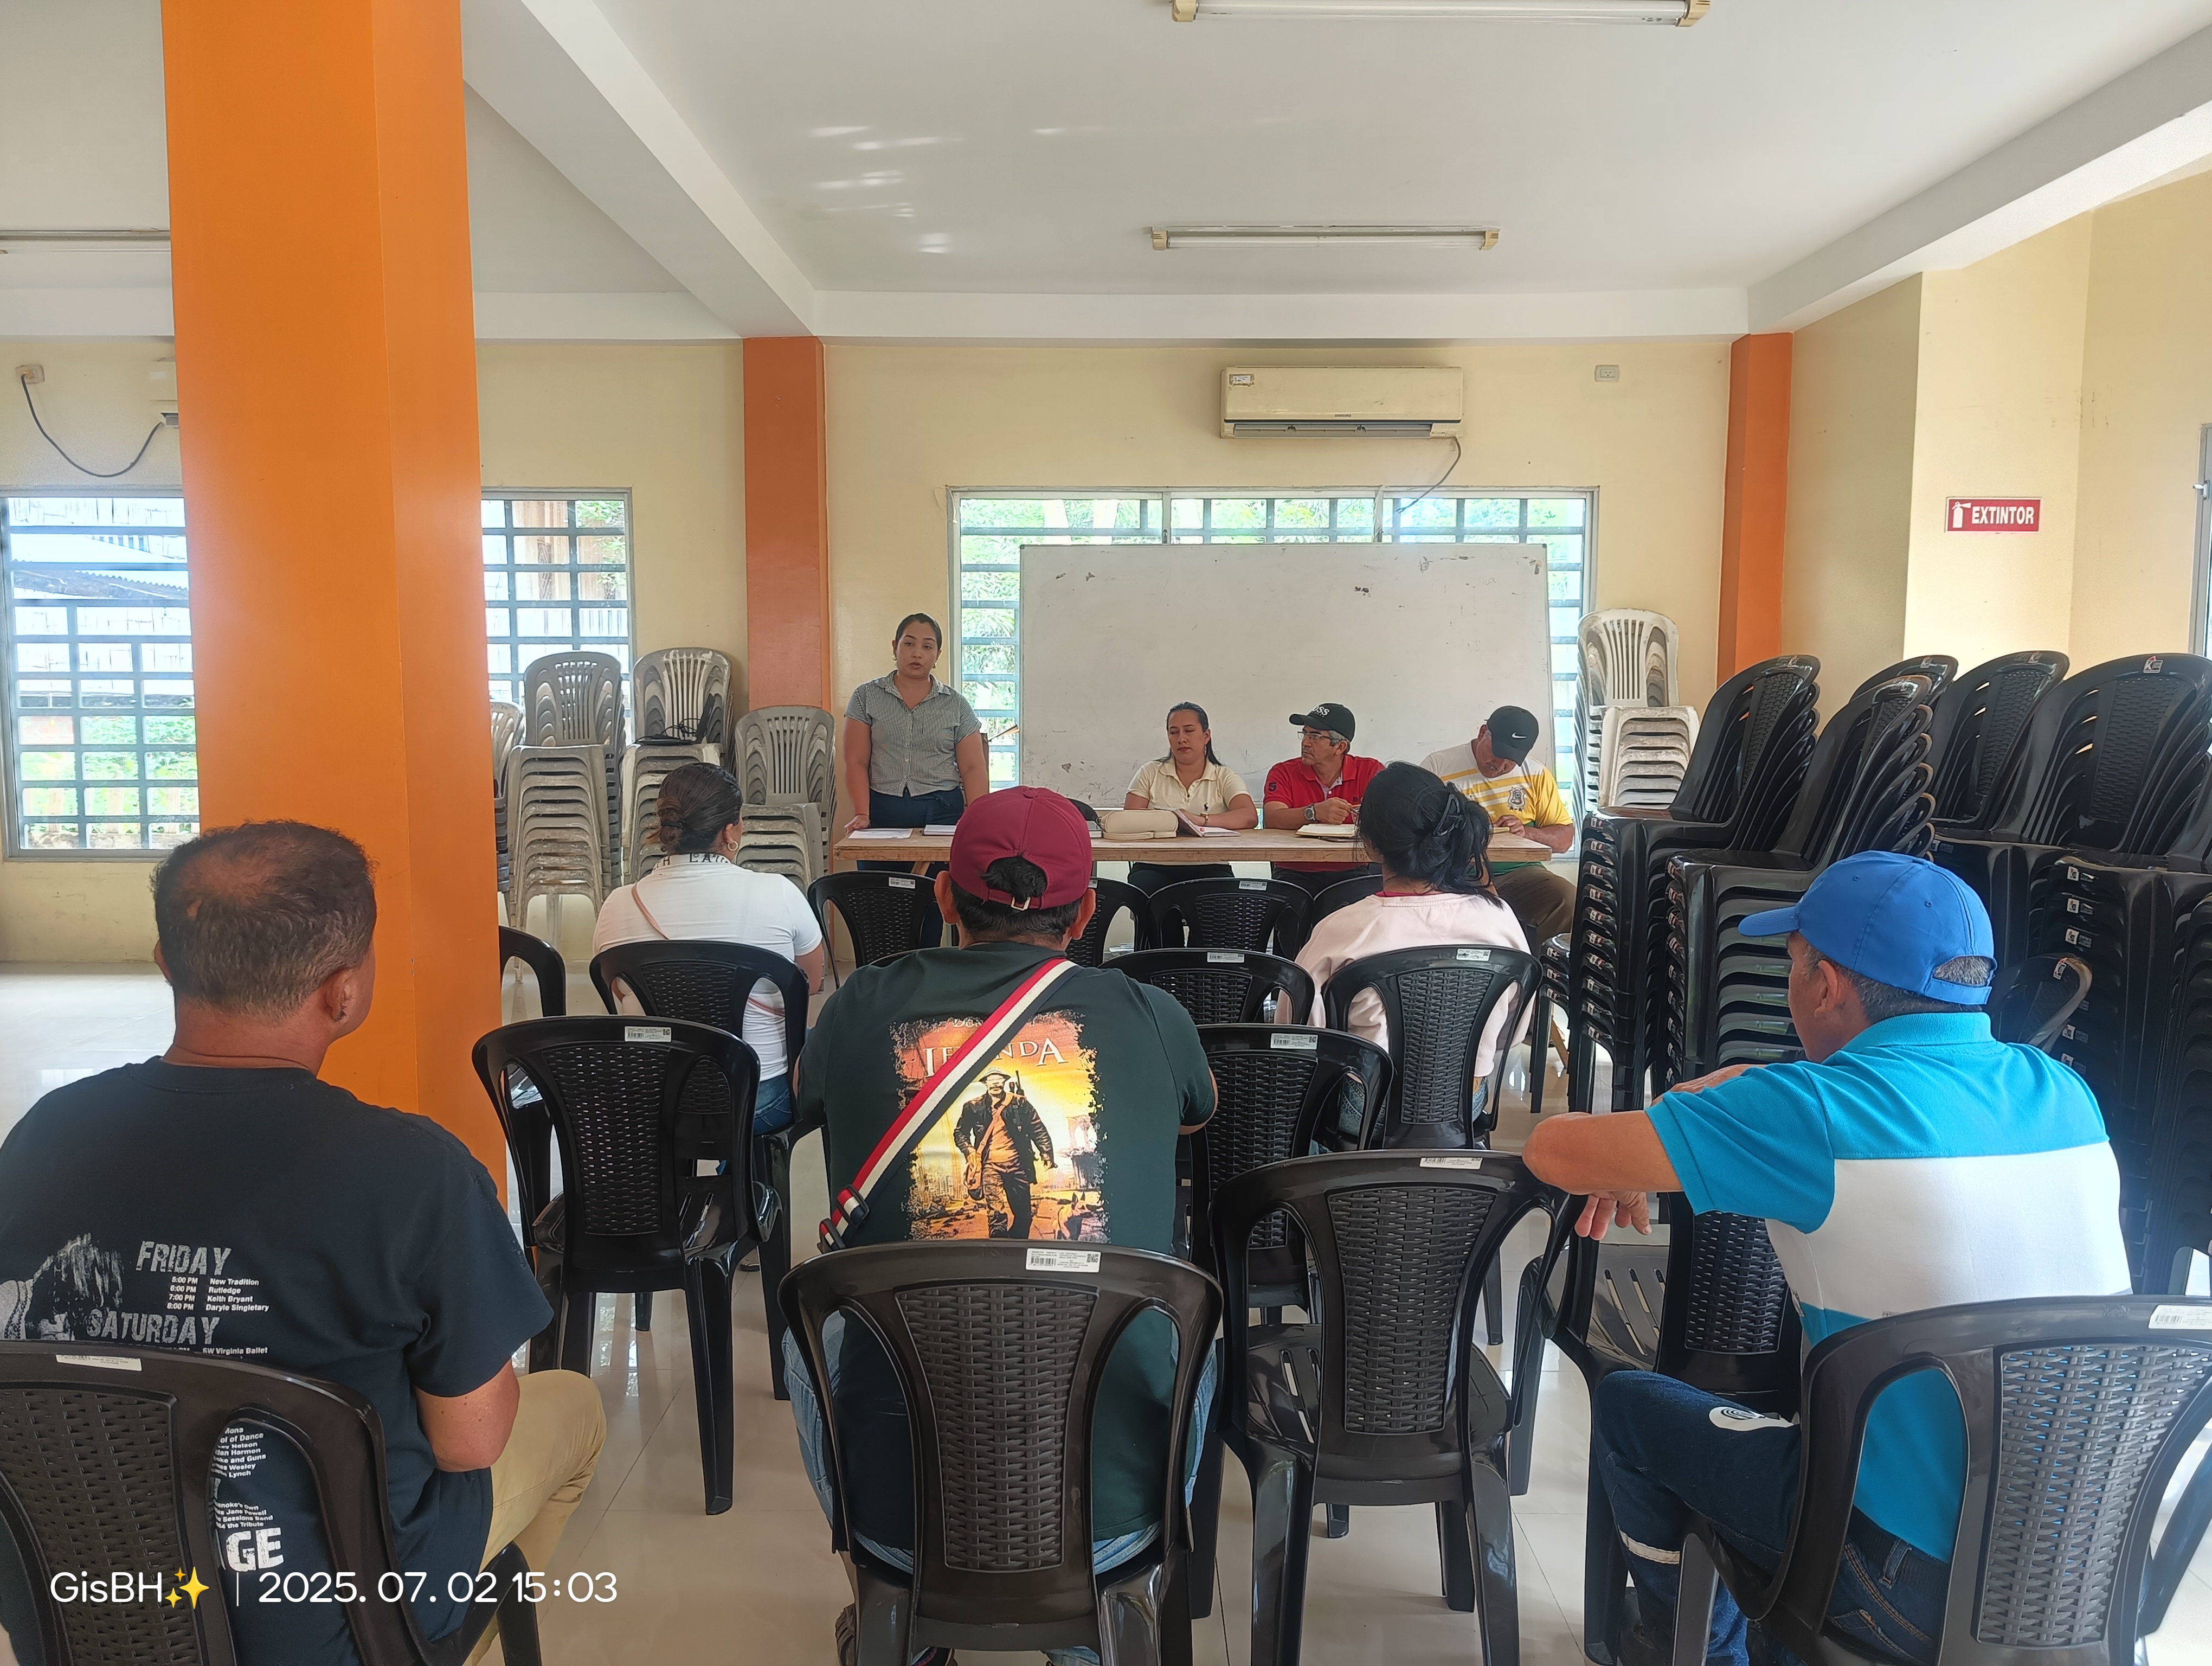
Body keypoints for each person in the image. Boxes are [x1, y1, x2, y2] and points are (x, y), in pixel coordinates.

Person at [0, 823, 605, 1666]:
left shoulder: (45, 1134)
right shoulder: (413, 1172)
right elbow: (469, 1442)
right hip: (328, 1626)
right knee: (574, 1408)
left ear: (167, 963)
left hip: (82, 1599)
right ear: (344, 991)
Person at [1521, 852, 2129, 1666]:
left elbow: (1553, 1150)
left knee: (1632, 1407)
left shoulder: (1812, 1114)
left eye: (1794, 964)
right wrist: (1724, 1101)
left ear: (1827, 986)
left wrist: (1684, 1111)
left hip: (1901, 1591)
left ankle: (1694, 1646)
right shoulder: (2064, 1093)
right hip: (2084, 1577)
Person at [787, 787, 1216, 1666]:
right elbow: (1195, 1112)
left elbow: (805, 1101)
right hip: (1113, 1508)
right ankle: (1094, 1623)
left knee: (811, 1330)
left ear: (945, 896)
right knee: (1197, 1324)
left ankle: (897, 1612)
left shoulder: (861, 1004)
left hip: (898, 1509)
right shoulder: (1150, 1013)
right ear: (1087, 912)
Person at [591, 762, 825, 1132]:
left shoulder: (617, 905)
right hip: (761, 1099)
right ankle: (748, 1167)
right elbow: (810, 983)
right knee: (827, 1043)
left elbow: (619, 993)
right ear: (730, 831)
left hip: (655, 1099)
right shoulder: (779, 893)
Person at [1296, 761, 1529, 1081]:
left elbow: (1301, 1036)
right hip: (1465, 1097)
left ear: (1371, 844)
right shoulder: (1499, 919)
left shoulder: (1339, 931)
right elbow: (1512, 1032)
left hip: (1365, 1101)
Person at [841, 611, 991, 947]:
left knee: (934, 903)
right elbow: (856, 761)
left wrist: (977, 818)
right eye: (909, 644)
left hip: (941, 814)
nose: (917, 654)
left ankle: (926, 964)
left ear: (937, 655)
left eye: (927, 646)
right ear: (895, 647)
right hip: (882, 813)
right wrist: (863, 813)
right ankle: (884, 967)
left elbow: (973, 767)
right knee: (879, 903)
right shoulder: (866, 697)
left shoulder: (956, 704)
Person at [1424, 704, 1577, 946]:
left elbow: (1565, 840)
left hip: (1520, 874)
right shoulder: (1438, 767)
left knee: (1567, 899)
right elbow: (1416, 831)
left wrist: (1526, 833)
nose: (1501, 764)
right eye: (1498, 752)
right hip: (1455, 875)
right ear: (1483, 732)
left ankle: (1541, 966)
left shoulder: (1536, 774)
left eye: (1512, 760)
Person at [1121, 699, 1257, 896]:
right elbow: (1129, 819)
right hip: (1154, 864)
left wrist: (1199, 821)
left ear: (1206, 736)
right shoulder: (1150, 772)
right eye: (1174, 732)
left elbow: (1249, 816)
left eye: (1189, 731)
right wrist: (1168, 820)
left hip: (1211, 865)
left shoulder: (1224, 776)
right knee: (1146, 893)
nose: (1181, 739)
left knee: (1220, 899)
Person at [1262, 701, 1385, 902]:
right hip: (1295, 870)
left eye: (1316, 736)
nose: (1305, 742)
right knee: (1291, 913)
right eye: (1305, 734)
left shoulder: (1370, 771)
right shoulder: (1283, 772)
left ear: (1340, 747)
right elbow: (1272, 818)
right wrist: (1314, 812)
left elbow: (1388, 819)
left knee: (1355, 915)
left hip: (1352, 869)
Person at [954, 1067, 1056, 1236]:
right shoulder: (973, 1106)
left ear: (1005, 1082)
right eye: (991, 1080)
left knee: (1024, 1215)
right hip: (990, 1167)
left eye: (999, 1080)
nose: (995, 1083)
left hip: (1018, 1165)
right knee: (996, 1216)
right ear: (985, 1083)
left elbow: (1037, 1127)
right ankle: (999, 1247)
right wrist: (969, 1150)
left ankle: (1015, 1245)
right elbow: (960, 1133)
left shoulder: (1020, 1103)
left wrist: (1046, 1153)